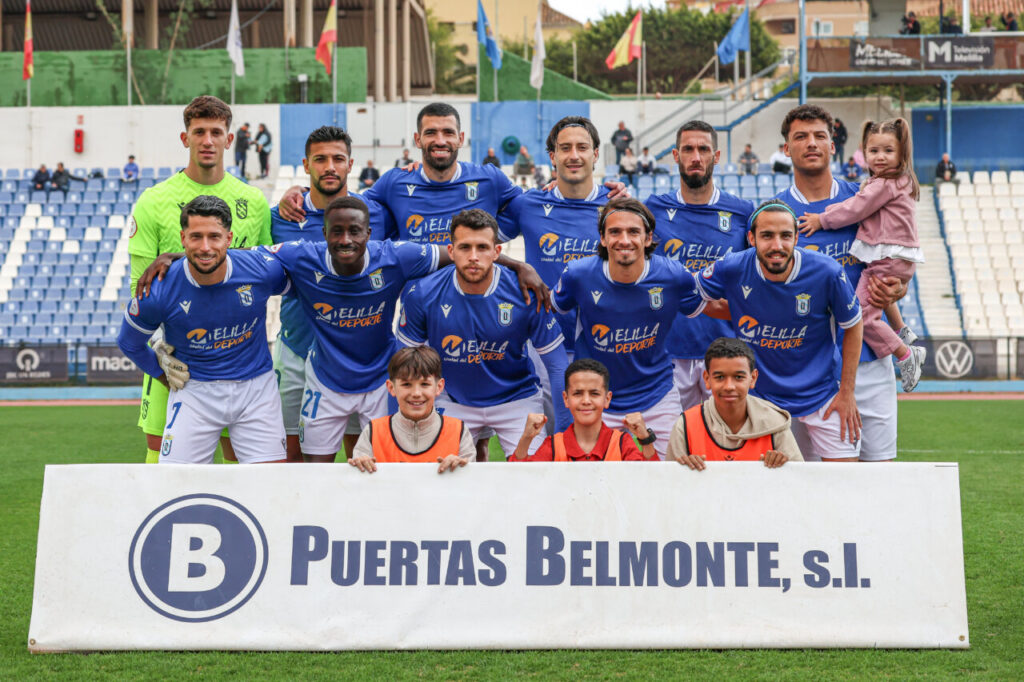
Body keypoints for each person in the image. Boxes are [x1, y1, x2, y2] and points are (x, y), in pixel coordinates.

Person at [129, 95, 271, 464]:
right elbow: (138, 288)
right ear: (185, 138)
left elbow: (265, 269)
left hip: (239, 362)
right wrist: (158, 355)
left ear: (229, 140)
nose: (207, 140)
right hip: (178, 357)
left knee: (242, 460)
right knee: (162, 460)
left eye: (216, 132)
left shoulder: (252, 201)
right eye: (199, 132)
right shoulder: (153, 201)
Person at [261, 196, 444, 462]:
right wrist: (181, 260)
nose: (345, 239)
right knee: (316, 467)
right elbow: (234, 260)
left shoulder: (395, 256)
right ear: (324, 233)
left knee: (387, 466)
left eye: (354, 231)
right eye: (337, 231)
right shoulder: (302, 256)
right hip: (325, 380)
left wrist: (518, 267)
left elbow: (461, 255)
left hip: (381, 380)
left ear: (368, 233)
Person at [775, 103, 907, 463]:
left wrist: (898, 286)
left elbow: (892, 262)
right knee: (810, 483)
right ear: (786, 149)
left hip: (867, 361)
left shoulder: (867, 197)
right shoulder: (774, 214)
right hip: (805, 367)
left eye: (820, 135)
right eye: (800, 137)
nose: (811, 143)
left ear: (834, 145)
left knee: (878, 471)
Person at [117, 196, 288, 464]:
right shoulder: (158, 288)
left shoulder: (261, 270)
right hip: (194, 391)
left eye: (214, 237)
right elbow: (129, 342)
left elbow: (307, 276)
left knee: (269, 486)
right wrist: (161, 375)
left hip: (256, 389)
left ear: (229, 238)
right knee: (177, 486)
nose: (205, 247)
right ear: (183, 238)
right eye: (196, 237)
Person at [696, 199, 864, 462]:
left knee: (843, 483)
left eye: (786, 236)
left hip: (823, 394)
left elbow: (853, 325)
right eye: (767, 236)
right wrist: (740, 309)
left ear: (797, 237)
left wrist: (847, 392)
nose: (777, 246)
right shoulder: (732, 267)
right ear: (751, 238)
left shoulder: (827, 271)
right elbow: (693, 295)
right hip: (762, 398)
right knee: (767, 488)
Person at [397, 209, 571, 460]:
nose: (473, 257)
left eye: (482, 247)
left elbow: (556, 365)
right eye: (465, 247)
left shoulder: (526, 293)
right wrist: (395, 424)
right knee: (443, 479)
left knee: (533, 475)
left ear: (497, 252)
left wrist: (565, 431)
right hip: (454, 399)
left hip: (516, 398)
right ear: (451, 250)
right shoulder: (423, 293)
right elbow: (401, 363)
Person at [268, 126, 394, 461]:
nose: (329, 166)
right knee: (292, 457)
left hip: (358, 359)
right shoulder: (280, 217)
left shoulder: (377, 214)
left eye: (338, 158)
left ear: (351, 164)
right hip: (297, 348)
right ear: (306, 165)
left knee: (363, 457)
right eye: (320, 159)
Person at [552, 197, 711, 460]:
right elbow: (552, 306)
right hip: (597, 399)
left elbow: (704, 307)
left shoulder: (674, 276)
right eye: (615, 232)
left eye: (633, 232)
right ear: (602, 238)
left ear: (648, 238)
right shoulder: (578, 275)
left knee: (669, 474)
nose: (624, 240)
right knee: (590, 483)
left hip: (657, 394)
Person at [497, 116, 616, 433]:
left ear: (595, 154)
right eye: (565, 148)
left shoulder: (620, 206)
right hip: (543, 343)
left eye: (582, 147)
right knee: (549, 442)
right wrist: (518, 266)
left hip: (605, 341)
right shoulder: (529, 204)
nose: (574, 155)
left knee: (602, 444)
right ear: (552, 156)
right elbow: (479, 243)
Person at [798, 118, 925, 392]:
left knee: (862, 316)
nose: (880, 157)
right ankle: (902, 329)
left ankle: (905, 353)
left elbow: (855, 209)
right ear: (863, 152)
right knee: (871, 283)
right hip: (894, 256)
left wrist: (822, 219)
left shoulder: (883, 185)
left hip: (888, 255)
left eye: (888, 151)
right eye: (874, 151)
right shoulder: (892, 182)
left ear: (902, 153)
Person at [644, 120, 753, 412]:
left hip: (725, 353)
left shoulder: (743, 213)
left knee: (726, 446)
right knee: (672, 448)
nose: (696, 157)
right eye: (688, 149)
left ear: (716, 157)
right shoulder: (652, 210)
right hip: (667, 353)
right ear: (675, 155)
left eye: (703, 149)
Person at [667, 337, 802, 468]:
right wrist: (685, 470)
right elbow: (669, 484)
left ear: (753, 378)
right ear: (707, 379)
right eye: (720, 377)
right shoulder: (686, 424)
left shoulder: (775, 422)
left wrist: (782, 468)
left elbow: (800, 480)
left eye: (738, 377)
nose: (729, 386)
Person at [349, 346, 476, 473]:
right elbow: (359, 485)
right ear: (391, 387)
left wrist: (461, 468)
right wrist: (361, 464)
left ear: (439, 386)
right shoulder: (373, 431)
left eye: (425, 384)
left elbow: (472, 484)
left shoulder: (458, 430)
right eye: (406, 384)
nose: (416, 393)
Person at [511, 358, 655, 461]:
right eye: (578, 393)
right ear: (566, 398)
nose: (586, 401)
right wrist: (526, 438)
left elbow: (650, 484)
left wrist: (645, 440)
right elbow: (522, 483)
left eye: (594, 393)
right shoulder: (553, 446)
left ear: (607, 399)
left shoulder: (622, 443)